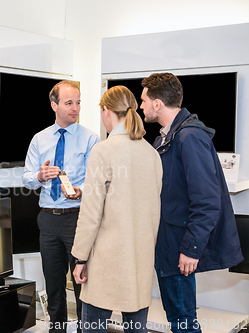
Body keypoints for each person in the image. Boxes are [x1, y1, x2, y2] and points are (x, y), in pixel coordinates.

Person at [140, 73, 243, 333]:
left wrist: (191, 249)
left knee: (183, 323)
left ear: (157, 104)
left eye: (143, 101)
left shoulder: (189, 137)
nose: (140, 106)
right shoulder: (166, 138)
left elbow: (207, 201)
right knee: (178, 319)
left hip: (179, 247)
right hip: (168, 245)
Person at [71, 85, 162, 333]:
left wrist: (80, 257)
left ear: (106, 111)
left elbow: (90, 214)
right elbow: (155, 213)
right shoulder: (151, 153)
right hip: (139, 261)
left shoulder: (103, 150)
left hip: (105, 262)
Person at [23, 80, 100, 333]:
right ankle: (57, 329)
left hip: (78, 219)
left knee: (81, 284)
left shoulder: (91, 139)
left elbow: (97, 182)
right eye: (69, 103)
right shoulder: (39, 139)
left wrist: (81, 191)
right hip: (47, 220)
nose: (75, 108)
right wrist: (40, 176)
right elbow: (26, 177)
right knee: (54, 284)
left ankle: (84, 329)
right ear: (54, 105)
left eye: (78, 103)